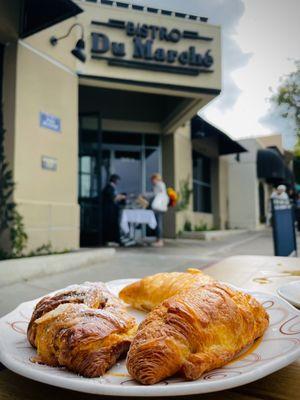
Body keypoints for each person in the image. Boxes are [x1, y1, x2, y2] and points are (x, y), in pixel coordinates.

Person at [102, 174, 126, 246]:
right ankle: (115, 240)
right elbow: (112, 198)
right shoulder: (109, 188)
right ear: (114, 180)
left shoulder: (111, 188)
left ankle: (115, 240)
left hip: (112, 210)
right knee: (112, 225)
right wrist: (121, 197)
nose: (118, 182)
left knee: (114, 225)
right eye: (117, 180)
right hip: (110, 211)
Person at [149, 173, 168, 247]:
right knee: (158, 223)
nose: (152, 181)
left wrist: (144, 194)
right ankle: (159, 239)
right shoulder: (162, 185)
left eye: (152, 180)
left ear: (155, 179)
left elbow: (155, 194)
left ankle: (159, 240)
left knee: (158, 224)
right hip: (160, 207)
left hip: (158, 208)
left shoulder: (159, 185)